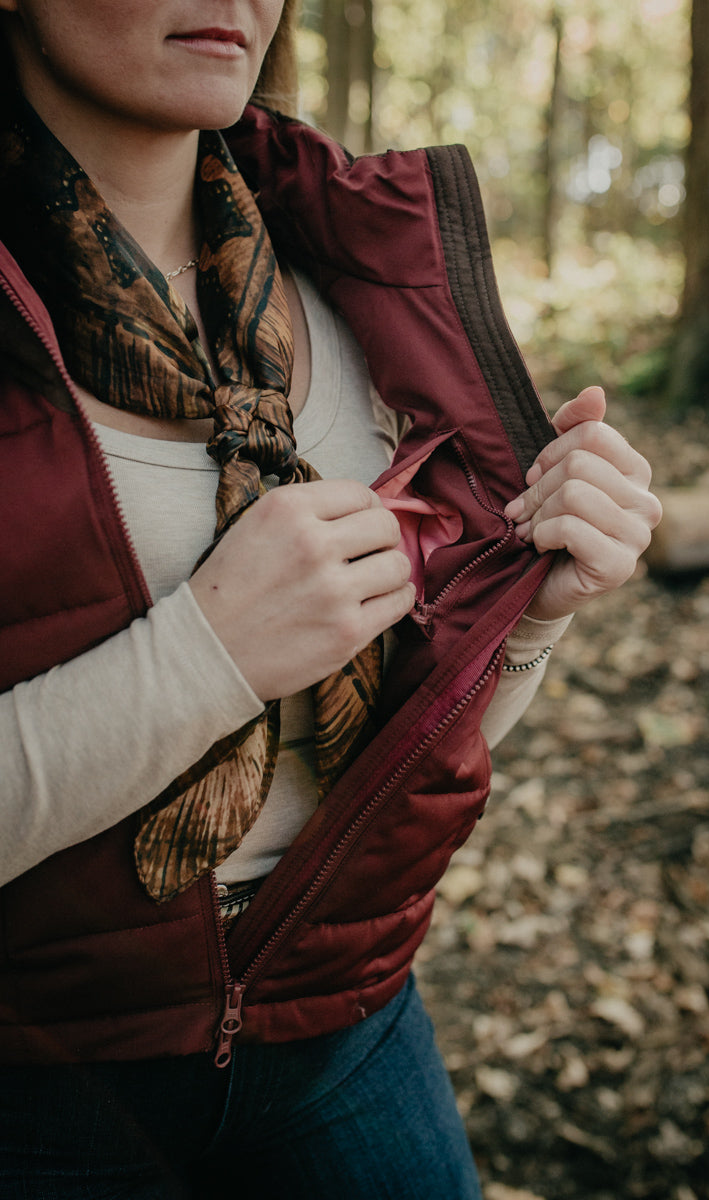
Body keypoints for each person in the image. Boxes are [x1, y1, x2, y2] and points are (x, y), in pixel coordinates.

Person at [0, 2, 662, 1196]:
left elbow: (401, 752)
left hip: (348, 1036)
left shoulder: (354, 272)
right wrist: (208, 654)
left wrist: (535, 612)